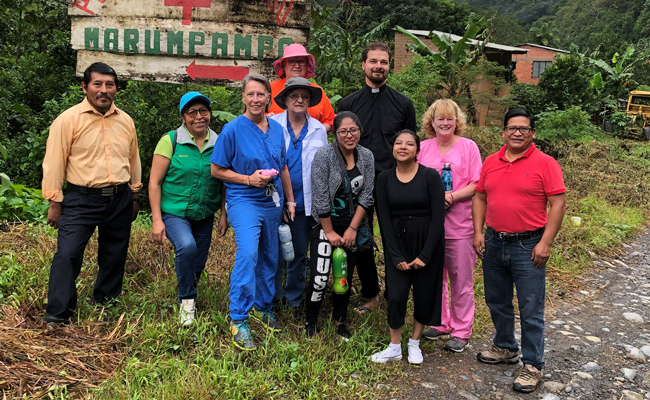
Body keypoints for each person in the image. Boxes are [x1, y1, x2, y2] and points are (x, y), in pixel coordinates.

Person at [473, 108, 566, 393]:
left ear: (532, 133)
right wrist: (478, 231)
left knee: (530, 307)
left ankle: (533, 364)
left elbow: (558, 204)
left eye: (523, 129)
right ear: (503, 132)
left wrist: (546, 242)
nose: (517, 133)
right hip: (494, 241)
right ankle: (504, 346)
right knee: (496, 300)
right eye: (512, 128)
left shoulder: (546, 163)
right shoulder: (491, 161)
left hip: (528, 245)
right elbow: (480, 196)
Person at [42, 62, 141, 328]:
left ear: (116, 89)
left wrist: (134, 195)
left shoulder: (125, 120)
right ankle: (58, 314)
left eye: (109, 85)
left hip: (119, 197)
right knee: (68, 254)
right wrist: (55, 200)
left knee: (114, 253)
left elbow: (133, 160)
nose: (104, 90)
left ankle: (105, 303)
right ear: (85, 87)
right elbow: (54, 162)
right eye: (97, 84)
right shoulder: (68, 120)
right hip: (81, 198)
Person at [211, 73, 296, 351]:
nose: (256, 99)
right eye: (250, 94)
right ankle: (238, 318)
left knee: (270, 256)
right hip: (244, 199)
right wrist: (249, 179)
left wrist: (289, 201)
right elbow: (217, 169)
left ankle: (264, 306)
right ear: (243, 97)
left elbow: (283, 167)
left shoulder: (277, 129)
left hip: (272, 202)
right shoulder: (232, 130)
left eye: (261, 94)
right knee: (248, 253)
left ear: (269, 97)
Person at [338, 41, 417, 315]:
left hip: (394, 183)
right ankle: (370, 293)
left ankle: (399, 294)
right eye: (373, 61)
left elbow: (410, 146)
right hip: (356, 185)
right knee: (361, 240)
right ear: (363, 64)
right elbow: (339, 147)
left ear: (388, 67)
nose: (378, 66)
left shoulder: (403, 104)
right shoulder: (347, 104)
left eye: (383, 62)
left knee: (398, 239)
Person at [149, 91, 228, 326]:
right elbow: (154, 182)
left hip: (204, 213)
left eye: (203, 111)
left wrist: (223, 214)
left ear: (210, 114)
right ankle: (187, 301)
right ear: (183, 117)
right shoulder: (171, 140)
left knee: (199, 261)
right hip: (175, 211)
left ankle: (188, 285)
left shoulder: (219, 142)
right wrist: (156, 220)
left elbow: (223, 181)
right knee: (186, 246)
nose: (198, 116)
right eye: (192, 112)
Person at [371, 130, 445, 365]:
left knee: (424, 294)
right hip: (397, 242)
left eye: (409, 144)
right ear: (392, 148)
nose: (403, 147)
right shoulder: (384, 178)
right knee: (396, 295)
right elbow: (383, 218)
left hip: (427, 241)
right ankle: (394, 346)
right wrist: (395, 255)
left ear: (417, 150)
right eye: (398, 143)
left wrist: (425, 254)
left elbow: (438, 218)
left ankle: (414, 343)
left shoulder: (430, 176)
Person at [418, 99, 482, 353]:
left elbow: (478, 183)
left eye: (450, 118)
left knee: (461, 279)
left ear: (457, 122)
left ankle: (462, 329)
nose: (445, 123)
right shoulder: (422, 148)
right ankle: (441, 322)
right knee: (435, 277)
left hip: (460, 224)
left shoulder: (469, 147)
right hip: (430, 226)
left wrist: (452, 196)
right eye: (440, 118)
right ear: (431, 122)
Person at [306, 111, 374, 341]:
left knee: (343, 276)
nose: (349, 135)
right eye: (343, 131)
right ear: (335, 133)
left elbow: (367, 194)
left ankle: (340, 321)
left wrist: (353, 228)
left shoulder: (366, 156)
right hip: (325, 224)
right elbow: (320, 196)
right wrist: (330, 231)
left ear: (360, 131)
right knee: (320, 277)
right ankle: (311, 321)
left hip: (352, 225)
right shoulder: (324, 156)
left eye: (353, 130)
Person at [270, 77, 328, 317]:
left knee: (297, 253)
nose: (299, 100)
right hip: (274, 200)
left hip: (305, 203)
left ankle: (293, 302)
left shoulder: (319, 130)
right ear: (285, 100)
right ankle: (272, 300)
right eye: (294, 96)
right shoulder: (271, 125)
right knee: (273, 253)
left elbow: (323, 167)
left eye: (304, 96)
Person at [268, 43, 335, 132]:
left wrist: (316, 132)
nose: (297, 66)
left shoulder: (317, 90)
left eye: (301, 61)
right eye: (292, 61)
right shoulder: (269, 88)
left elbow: (330, 121)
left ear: (306, 65)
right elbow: (255, 117)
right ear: (284, 65)